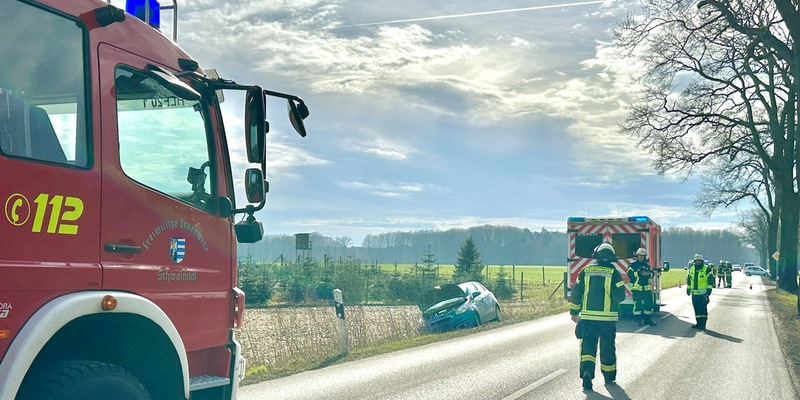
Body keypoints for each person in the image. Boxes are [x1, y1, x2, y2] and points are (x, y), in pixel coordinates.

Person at [570, 243, 626, 390]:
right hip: (607, 320)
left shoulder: (585, 270)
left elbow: (577, 293)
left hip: (588, 318)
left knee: (588, 346)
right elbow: (620, 296)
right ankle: (608, 377)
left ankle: (587, 372)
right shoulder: (614, 273)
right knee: (607, 347)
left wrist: (574, 312)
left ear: (597, 255)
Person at [627, 248, 656, 326]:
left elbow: (652, 274)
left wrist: (649, 274)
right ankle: (637, 321)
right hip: (637, 289)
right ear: (637, 255)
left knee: (649, 305)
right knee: (637, 306)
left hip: (646, 289)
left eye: (643, 256)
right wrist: (640, 274)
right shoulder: (632, 265)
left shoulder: (647, 264)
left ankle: (648, 320)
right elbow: (630, 274)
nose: (642, 257)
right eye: (640, 256)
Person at [686, 254, 714, 330]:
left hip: (703, 294)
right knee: (696, 309)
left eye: (699, 261)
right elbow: (689, 280)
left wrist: (708, 292)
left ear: (702, 261)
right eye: (696, 261)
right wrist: (688, 289)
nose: (697, 262)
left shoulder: (706, 269)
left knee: (703, 309)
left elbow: (710, 281)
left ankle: (703, 324)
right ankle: (698, 323)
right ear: (694, 261)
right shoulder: (692, 269)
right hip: (694, 294)